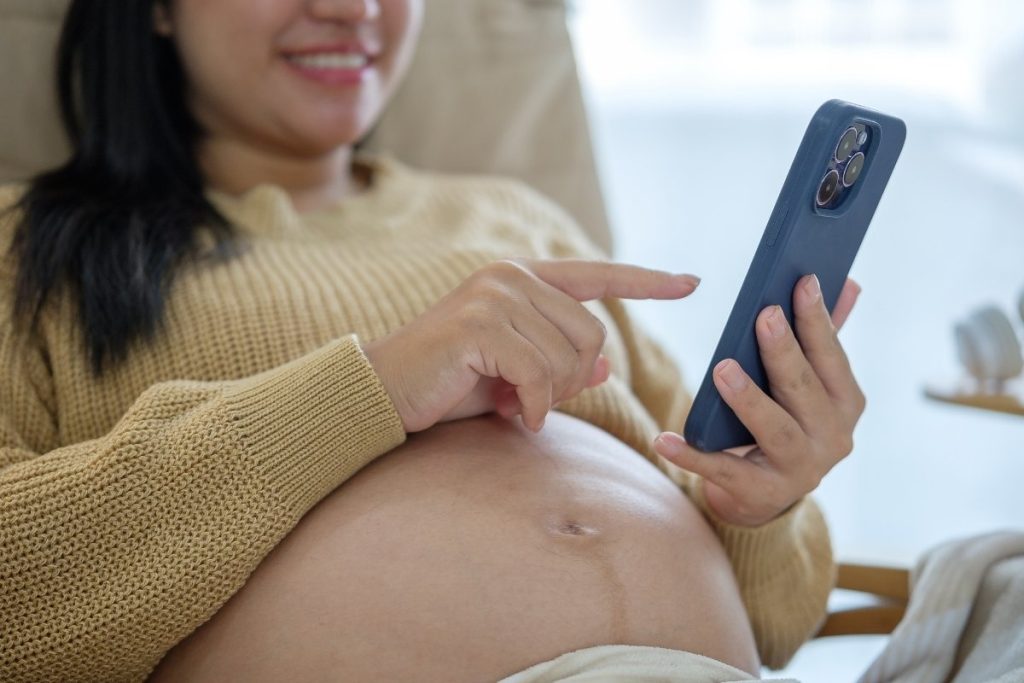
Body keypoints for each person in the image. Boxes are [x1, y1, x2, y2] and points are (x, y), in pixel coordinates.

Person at [0, 1, 865, 681]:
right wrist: (369, 389)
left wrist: (761, 499)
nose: (352, 7)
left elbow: (779, 619)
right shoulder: (29, 248)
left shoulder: (519, 218)